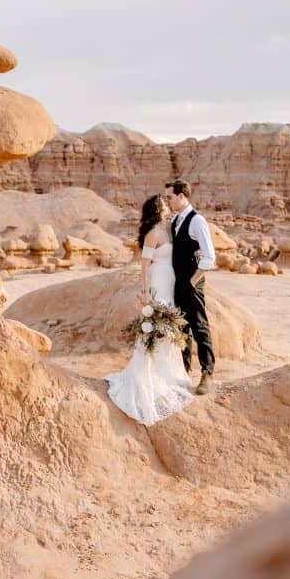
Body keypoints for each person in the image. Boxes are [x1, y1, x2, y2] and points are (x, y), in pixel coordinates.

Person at [105, 194, 194, 426]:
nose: (167, 205)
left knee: (169, 325)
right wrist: (145, 292)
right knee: (157, 325)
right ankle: (148, 373)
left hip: (170, 282)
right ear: (158, 208)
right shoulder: (152, 234)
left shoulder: (167, 229)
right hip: (157, 282)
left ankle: (168, 372)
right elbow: (144, 265)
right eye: (164, 203)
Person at [164, 179, 216, 395]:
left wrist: (192, 282)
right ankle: (184, 371)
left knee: (199, 325)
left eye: (170, 197)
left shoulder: (197, 221)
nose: (168, 200)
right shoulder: (176, 219)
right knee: (181, 327)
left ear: (181, 196)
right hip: (178, 283)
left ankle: (207, 373)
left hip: (192, 282)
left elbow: (209, 257)